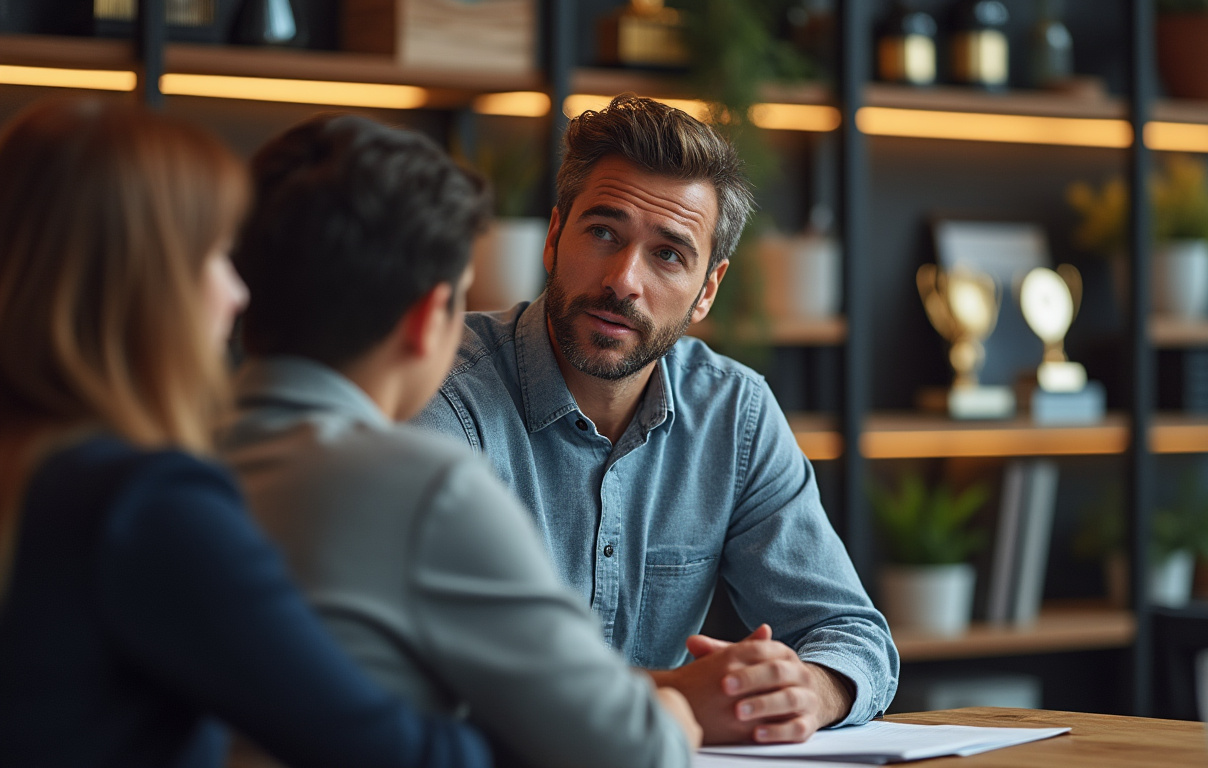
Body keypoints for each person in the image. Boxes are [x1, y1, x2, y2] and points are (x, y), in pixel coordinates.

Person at [0, 98, 487, 768]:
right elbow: (389, 753)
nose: (239, 293)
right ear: (148, 285)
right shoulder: (143, 506)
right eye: (218, 256)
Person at [413, 94, 900, 745]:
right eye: (603, 233)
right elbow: (438, 669)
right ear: (554, 238)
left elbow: (852, 634)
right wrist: (675, 697)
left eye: (668, 254)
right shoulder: (442, 390)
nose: (623, 281)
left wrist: (805, 689)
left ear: (708, 290)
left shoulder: (734, 413)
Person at [217, 114, 699, 768]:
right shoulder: (423, 489)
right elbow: (637, 754)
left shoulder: (165, 461)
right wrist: (674, 710)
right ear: (427, 320)